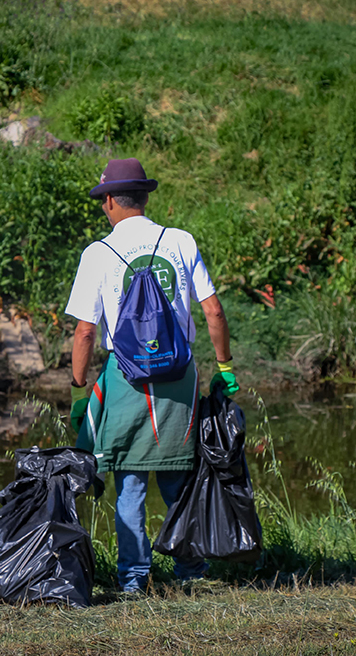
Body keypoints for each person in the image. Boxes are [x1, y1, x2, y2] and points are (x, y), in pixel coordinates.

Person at [65, 157, 239, 594]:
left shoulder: (98, 254)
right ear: (144, 196)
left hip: (127, 380)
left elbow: (86, 330)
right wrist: (225, 368)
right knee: (180, 475)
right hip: (181, 377)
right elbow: (213, 309)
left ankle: (133, 579)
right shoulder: (179, 241)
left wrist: (79, 386)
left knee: (129, 480)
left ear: (108, 201)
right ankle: (190, 572)